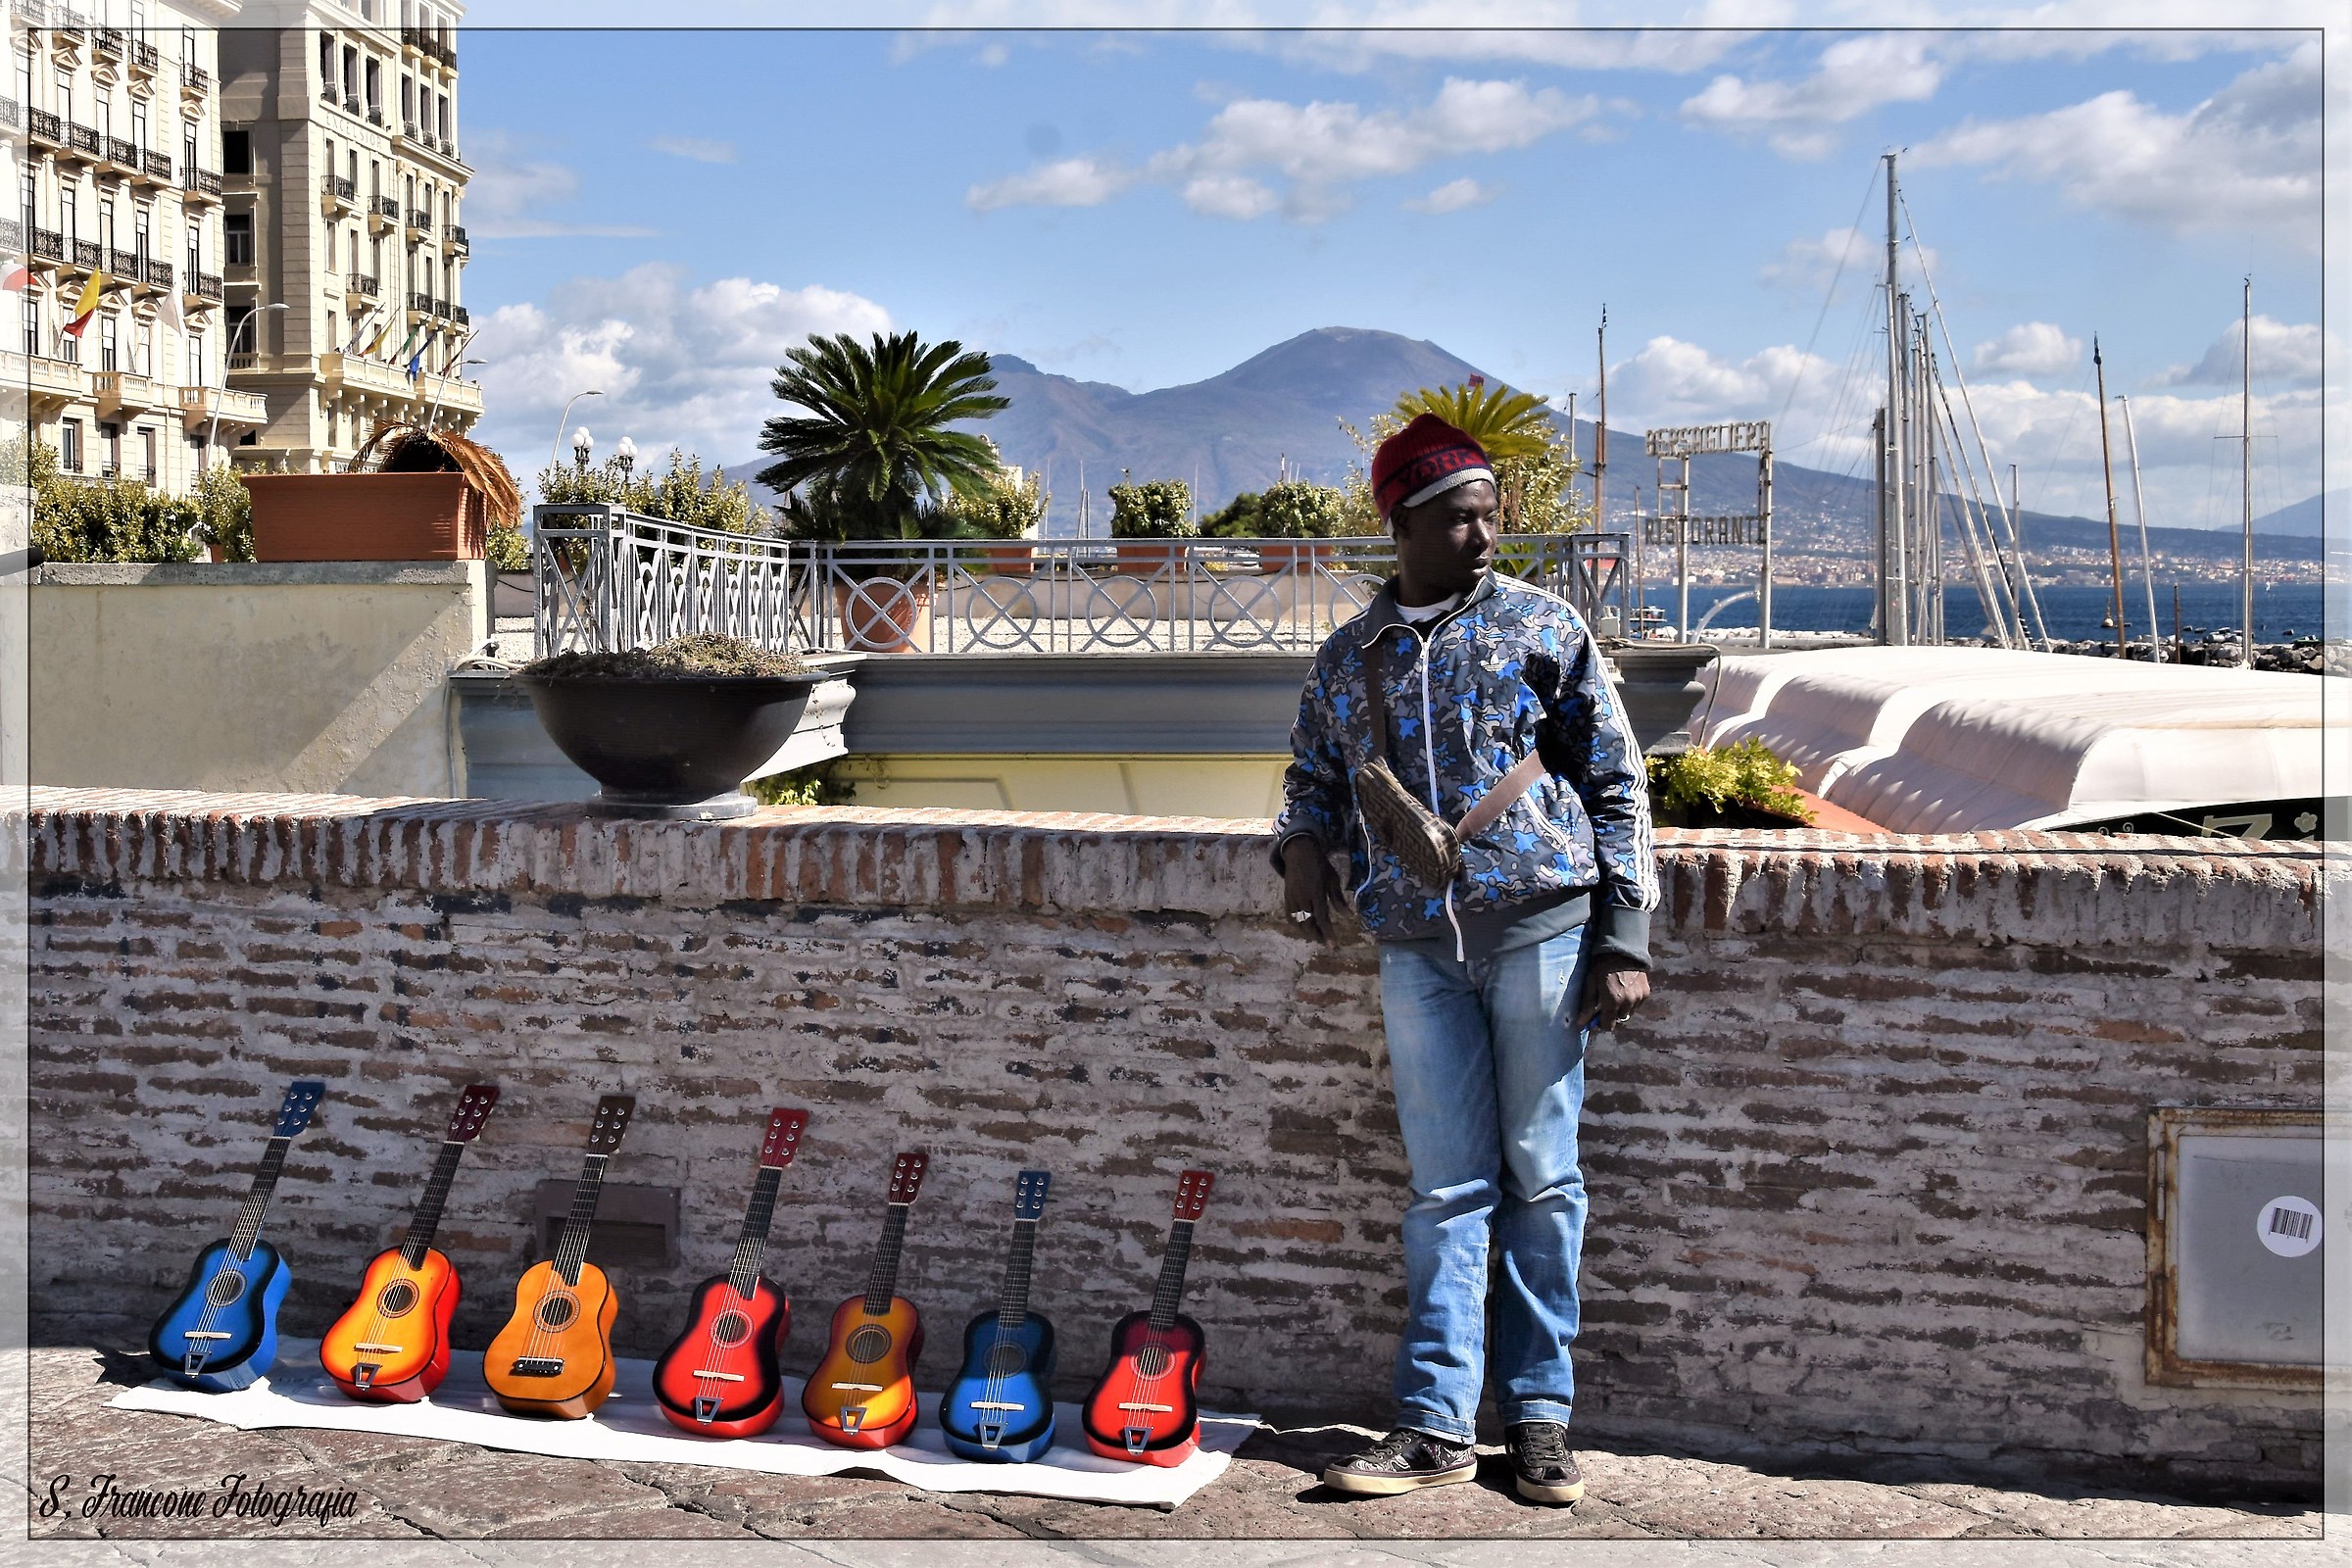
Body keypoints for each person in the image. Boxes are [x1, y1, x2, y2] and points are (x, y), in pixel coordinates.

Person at [1273, 413, 1657, 1506]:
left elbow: (1617, 780)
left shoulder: (1547, 626)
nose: (1484, 534)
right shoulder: (1350, 657)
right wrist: (1299, 844)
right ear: (1402, 522)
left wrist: (1625, 934)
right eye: (1459, 516)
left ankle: (1539, 1419)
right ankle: (1436, 1423)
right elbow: (1311, 770)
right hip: (1416, 950)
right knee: (1445, 1191)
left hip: (1542, 927)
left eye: (1491, 514)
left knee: (1544, 1176)